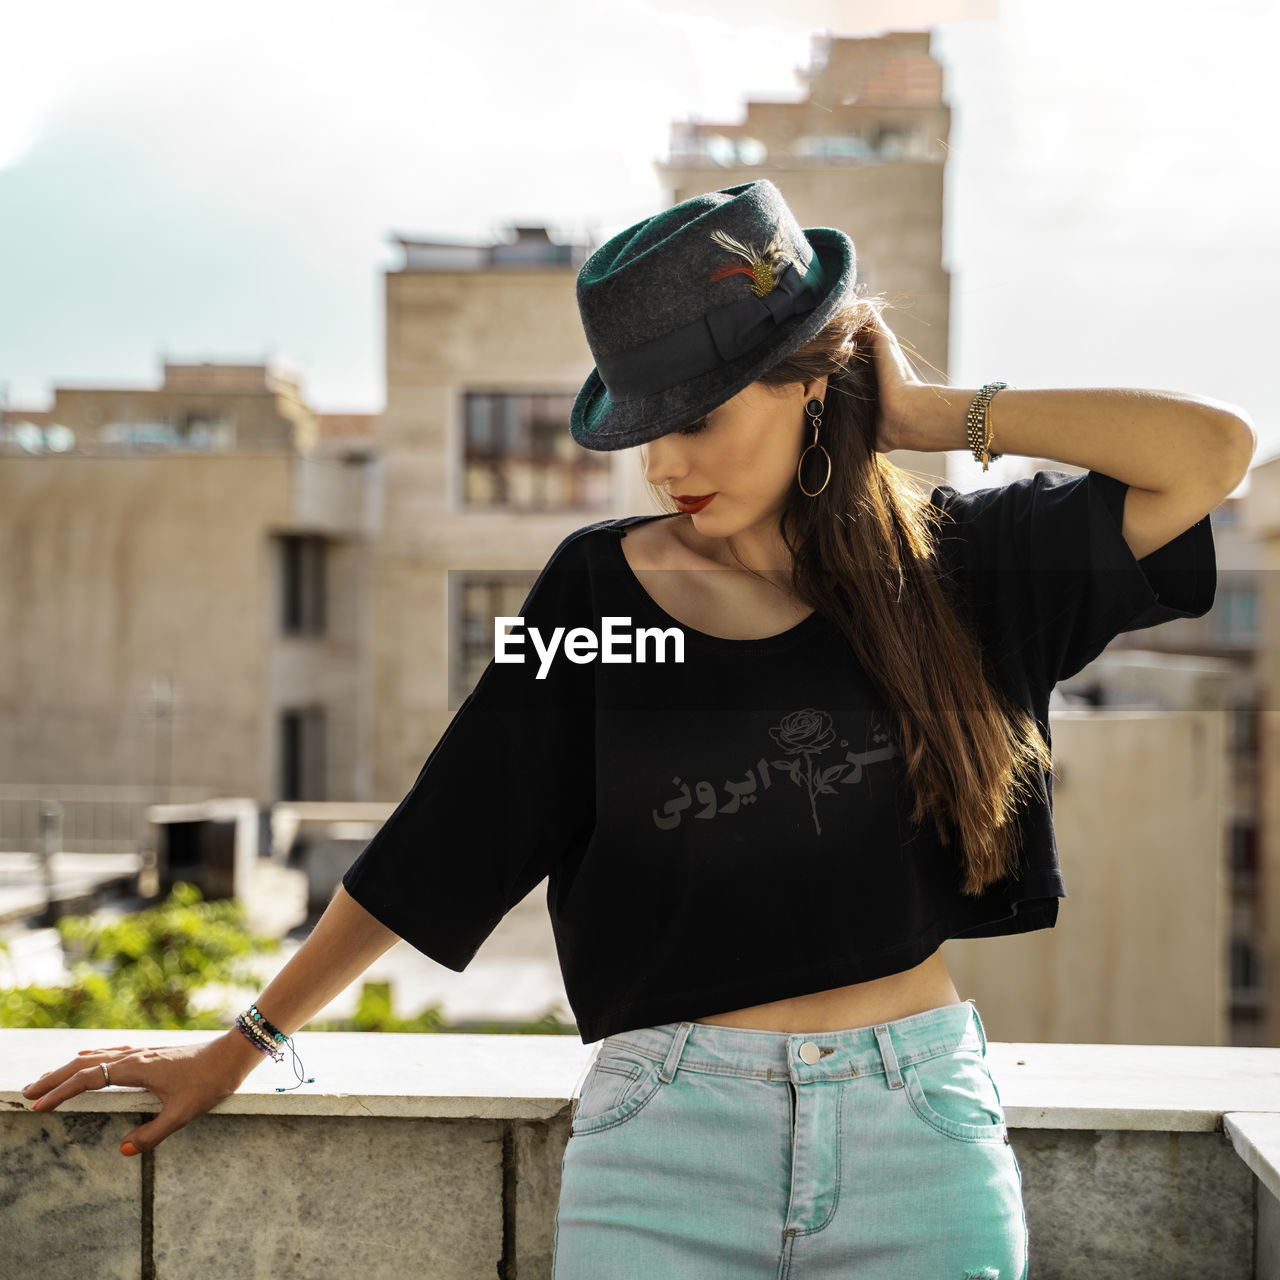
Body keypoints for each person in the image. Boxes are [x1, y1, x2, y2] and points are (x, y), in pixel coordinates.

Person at [24, 180, 1254, 1278]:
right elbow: (448, 830)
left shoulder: (957, 570)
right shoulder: (600, 600)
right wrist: (239, 1043)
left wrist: (932, 416)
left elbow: (1210, 454)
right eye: (644, 428)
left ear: (807, 381)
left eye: (696, 418)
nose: (664, 464)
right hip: (664, 1145)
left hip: (917, 1134)